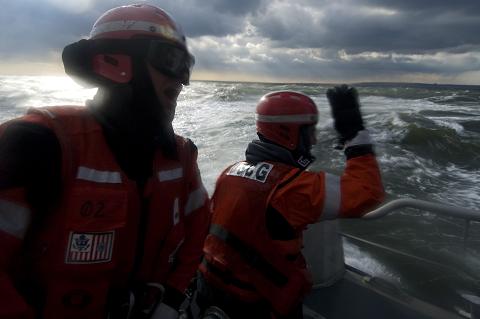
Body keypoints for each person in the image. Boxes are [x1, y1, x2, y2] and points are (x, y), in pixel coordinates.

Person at [0, 4, 209, 319]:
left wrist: (173, 296)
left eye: (186, 66)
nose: (182, 80)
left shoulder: (179, 156)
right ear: (116, 63)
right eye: (171, 61)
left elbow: (197, 232)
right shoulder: (37, 143)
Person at [197, 88, 385, 319]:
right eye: (309, 133)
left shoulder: (229, 173)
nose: (314, 140)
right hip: (258, 305)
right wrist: (354, 136)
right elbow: (368, 192)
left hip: (210, 291)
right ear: (288, 133)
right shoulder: (293, 188)